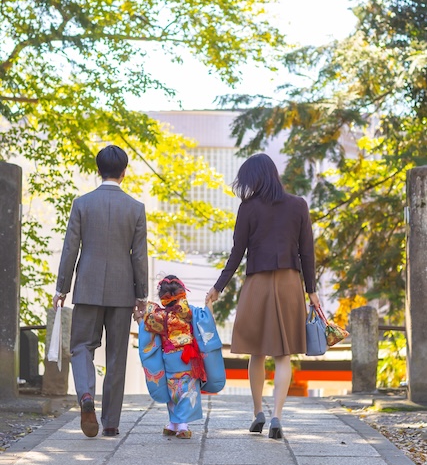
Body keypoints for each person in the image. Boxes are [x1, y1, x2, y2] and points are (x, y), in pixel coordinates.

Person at [206, 153, 320, 439]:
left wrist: (218, 287)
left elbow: (237, 252)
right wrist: (312, 291)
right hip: (289, 283)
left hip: (257, 282)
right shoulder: (298, 205)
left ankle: (258, 412)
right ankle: (277, 417)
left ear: (255, 178)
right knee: (283, 354)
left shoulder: (248, 208)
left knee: (256, 351)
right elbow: (307, 251)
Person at [53, 145, 148, 438]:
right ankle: (111, 423)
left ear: (98, 170)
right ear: (124, 172)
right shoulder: (136, 208)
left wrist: (61, 288)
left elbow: (70, 249)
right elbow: (139, 256)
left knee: (82, 346)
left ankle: (85, 395)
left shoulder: (82, 204)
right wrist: (141, 297)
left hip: (88, 288)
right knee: (117, 355)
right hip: (123, 291)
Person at [135, 275, 216, 439]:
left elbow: (146, 326)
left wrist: (138, 317)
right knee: (187, 390)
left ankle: (173, 423)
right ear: (182, 292)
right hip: (188, 357)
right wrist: (209, 304)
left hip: (169, 358)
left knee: (172, 390)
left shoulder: (159, 316)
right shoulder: (190, 311)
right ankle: (183, 425)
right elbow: (207, 321)